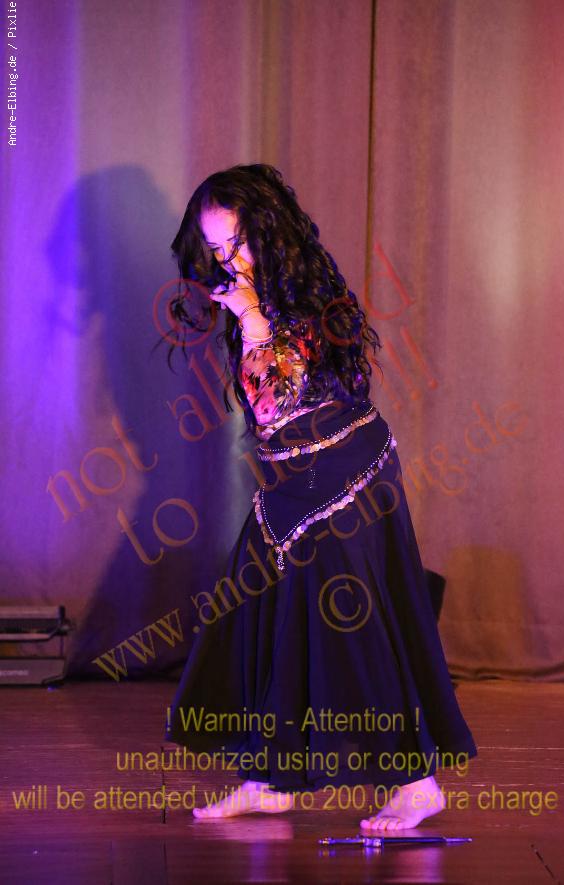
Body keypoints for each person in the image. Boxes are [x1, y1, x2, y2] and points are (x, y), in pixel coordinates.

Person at [163, 163, 477, 831]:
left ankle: (417, 784)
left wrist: (252, 319)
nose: (229, 259)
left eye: (238, 241)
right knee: (264, 620)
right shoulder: (252, 296)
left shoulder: (303, 298)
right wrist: (248, 315)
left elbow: (275, 400)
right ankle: (270, 778)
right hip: (290, 483)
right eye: (216, 248)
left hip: (345, 478)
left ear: (268, 229)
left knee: (351, 626)